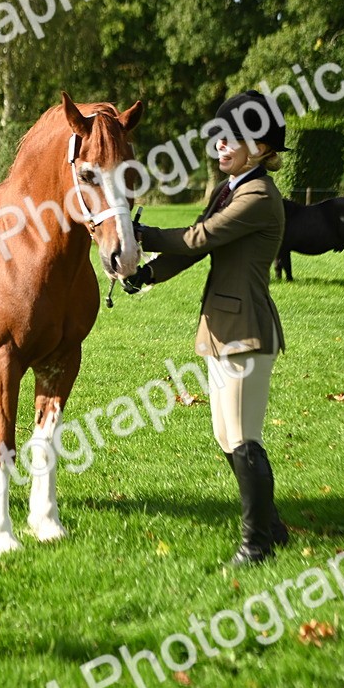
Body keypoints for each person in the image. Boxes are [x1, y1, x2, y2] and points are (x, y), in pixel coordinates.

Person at [123, 90, 289, 565]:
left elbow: (201, 236)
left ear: (258, 148)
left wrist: (139, 235)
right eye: (218, 136)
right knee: (224, 435)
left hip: (245, 330)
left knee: (242, 437)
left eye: (231, 137)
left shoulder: (257, 196)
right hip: (221, 327)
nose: (220, 144)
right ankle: (272, 527)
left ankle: (257, 543)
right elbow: (193, 249)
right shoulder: (229, 190)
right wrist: (148, 272)